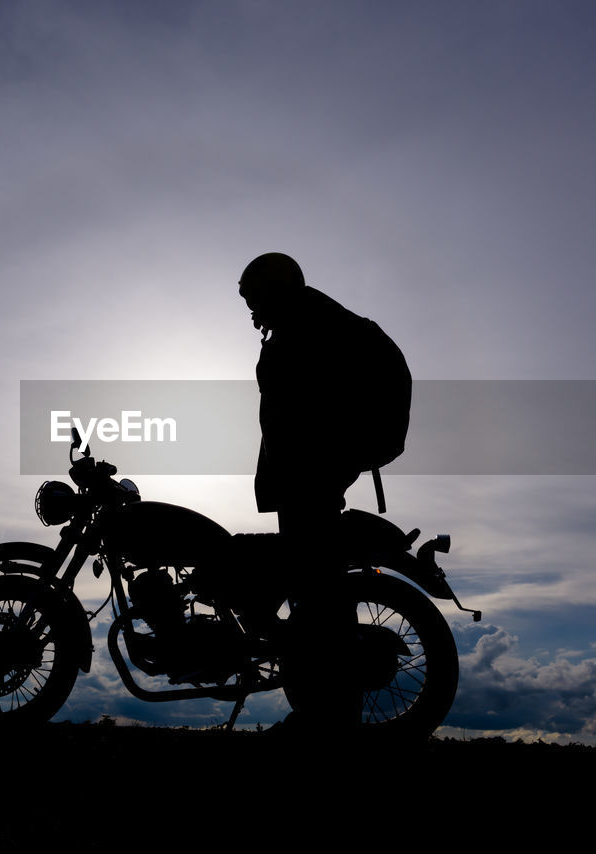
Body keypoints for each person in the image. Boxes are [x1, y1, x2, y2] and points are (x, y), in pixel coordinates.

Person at [238, 252, 374, 729]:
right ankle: (325, 713)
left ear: (273, 288)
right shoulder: (312, 323)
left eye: (253, 296)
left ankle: (325, 718)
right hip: (309, 474)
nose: (250, 309)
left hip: (308, 477)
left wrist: (293, 470)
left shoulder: (303, 330)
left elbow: (293, 415)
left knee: (315, 598)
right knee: (312, 593)